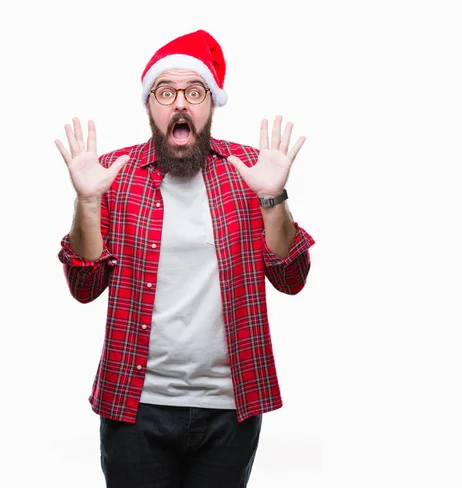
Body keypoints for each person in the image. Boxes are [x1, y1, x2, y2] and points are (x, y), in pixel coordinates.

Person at [55, 28, 315, 488]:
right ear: (149, 104)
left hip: (229, 408)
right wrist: (88, 204)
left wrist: (273, 199)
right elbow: (84, 287)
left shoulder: (250, 172)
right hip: (135, 407)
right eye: (166, 91)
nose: (180, 103)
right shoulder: (114, 175)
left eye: (194, 92)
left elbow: (291, 277)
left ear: (211, 104)